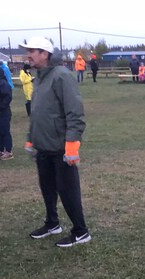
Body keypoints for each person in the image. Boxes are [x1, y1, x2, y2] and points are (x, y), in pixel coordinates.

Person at [19, 36, 92, 248]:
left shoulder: (62, 76)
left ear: (45, 54)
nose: (29, 54)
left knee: (68, 191)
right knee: (47, 188)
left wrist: (71, 146)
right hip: (43, 147)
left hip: (61, 149)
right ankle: (52, 223)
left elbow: (75, 113)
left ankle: (81, 231)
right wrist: (31, 140)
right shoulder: (39, 77)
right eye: (29, 50)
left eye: (33, 50)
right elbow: (37, 113)